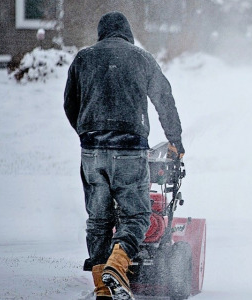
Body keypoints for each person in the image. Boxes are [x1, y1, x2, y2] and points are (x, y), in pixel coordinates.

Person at [64, 11, 184, 300]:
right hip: (129, 148)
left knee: (99, 220)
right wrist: (175, 141)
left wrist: (86, 131)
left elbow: (70, 103)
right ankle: (117, 266)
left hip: (91, 150)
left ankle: (103, 288)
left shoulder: (83, 58)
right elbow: (163, 98)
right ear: (127, 34)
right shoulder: (140, 58)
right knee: (137, 215)